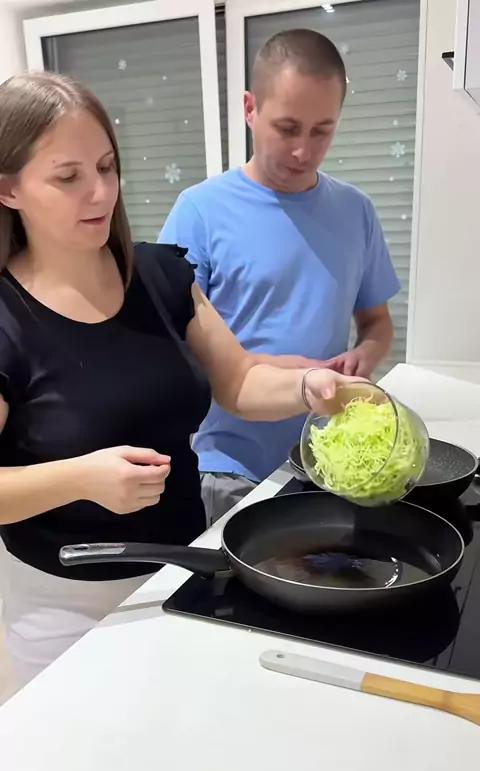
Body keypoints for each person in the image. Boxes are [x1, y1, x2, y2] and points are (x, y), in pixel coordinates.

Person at [0, 71, 355, 689]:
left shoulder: (159, 275)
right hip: (64, 607)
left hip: (188, 572)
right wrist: (81, 478)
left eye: (106, 167)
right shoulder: (7, 319)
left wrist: (309, 390)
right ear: (9, 189)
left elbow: (240, 382)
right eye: (68, 177)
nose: (100, 192)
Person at [159, 29, 401, 523]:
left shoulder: (356, 211)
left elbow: (376, 322)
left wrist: (365, 355)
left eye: (321, 131)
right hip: (229, 471)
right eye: (287, 128)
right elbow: (170, 350)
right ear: (250, 109)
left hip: (328, 463)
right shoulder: (199, 212)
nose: (303, 151)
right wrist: (285, 372)